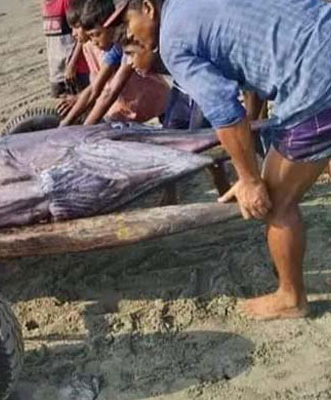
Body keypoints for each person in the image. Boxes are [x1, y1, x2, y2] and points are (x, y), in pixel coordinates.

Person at [99, 0, 331, 320]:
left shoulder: (173, 39)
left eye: (127, 24)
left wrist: (249, 180)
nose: (128, 36)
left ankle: (291, 297)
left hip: (317, 79)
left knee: (277, 201)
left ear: (148, 8)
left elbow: (225, 112)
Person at [60, 0, 169, 127]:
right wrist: (65, 124)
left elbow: (110, 92)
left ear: (109, 26)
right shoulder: (113, 49)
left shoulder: (129, 42)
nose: (94, 41)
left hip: (157, 98)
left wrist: (84, 130)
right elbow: (95, 88)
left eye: (96, 34)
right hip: (142, 103)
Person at [42, 0, 81, 97]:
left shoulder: (66, 2)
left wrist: (72, 63)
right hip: (55, 71)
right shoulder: (44, 4)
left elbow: (81, 35)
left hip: (72, 70)